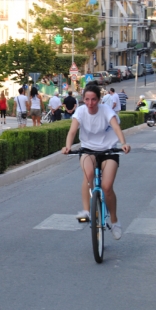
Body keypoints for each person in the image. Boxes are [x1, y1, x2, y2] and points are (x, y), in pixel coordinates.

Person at [61, 84, 131, 240]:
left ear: (99, 100)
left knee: (106, 187)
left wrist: (123, 143)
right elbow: (72, 131)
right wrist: (68, 147)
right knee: (89, 174)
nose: (90, 103)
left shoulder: (107, 110)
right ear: (83, 99)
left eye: (93, 100)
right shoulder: (80, 111)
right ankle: (87, 211)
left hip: (109, 151)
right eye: (87, 99)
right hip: (88, 150)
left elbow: (116, 128)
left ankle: (114, 221)